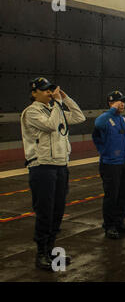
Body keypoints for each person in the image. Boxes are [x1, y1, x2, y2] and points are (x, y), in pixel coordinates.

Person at [21, 77, 86, 270]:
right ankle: (41, 253)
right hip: (42, 167)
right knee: (45, 212)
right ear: (34, 93)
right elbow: (50, 125)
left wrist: (65, 99)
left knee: (57, 211)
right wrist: (57, 103)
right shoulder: (31, 112)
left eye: (51, 90)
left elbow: (79, 116)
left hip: (60, 166)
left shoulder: (55, 109)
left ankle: (51, 250)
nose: (50, 93)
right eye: (44, 90)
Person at [93, 90, 125, 240]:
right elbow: (98, 123)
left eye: (123, 101)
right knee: (112, 195)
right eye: (119, 101)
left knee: (124, 194)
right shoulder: (105, 119)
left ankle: (119, 222)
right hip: (110, 164)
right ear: (111, 103)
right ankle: (109, 225)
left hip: (123, 162)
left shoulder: (123, 120)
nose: (122, 104)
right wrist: (112, 110)